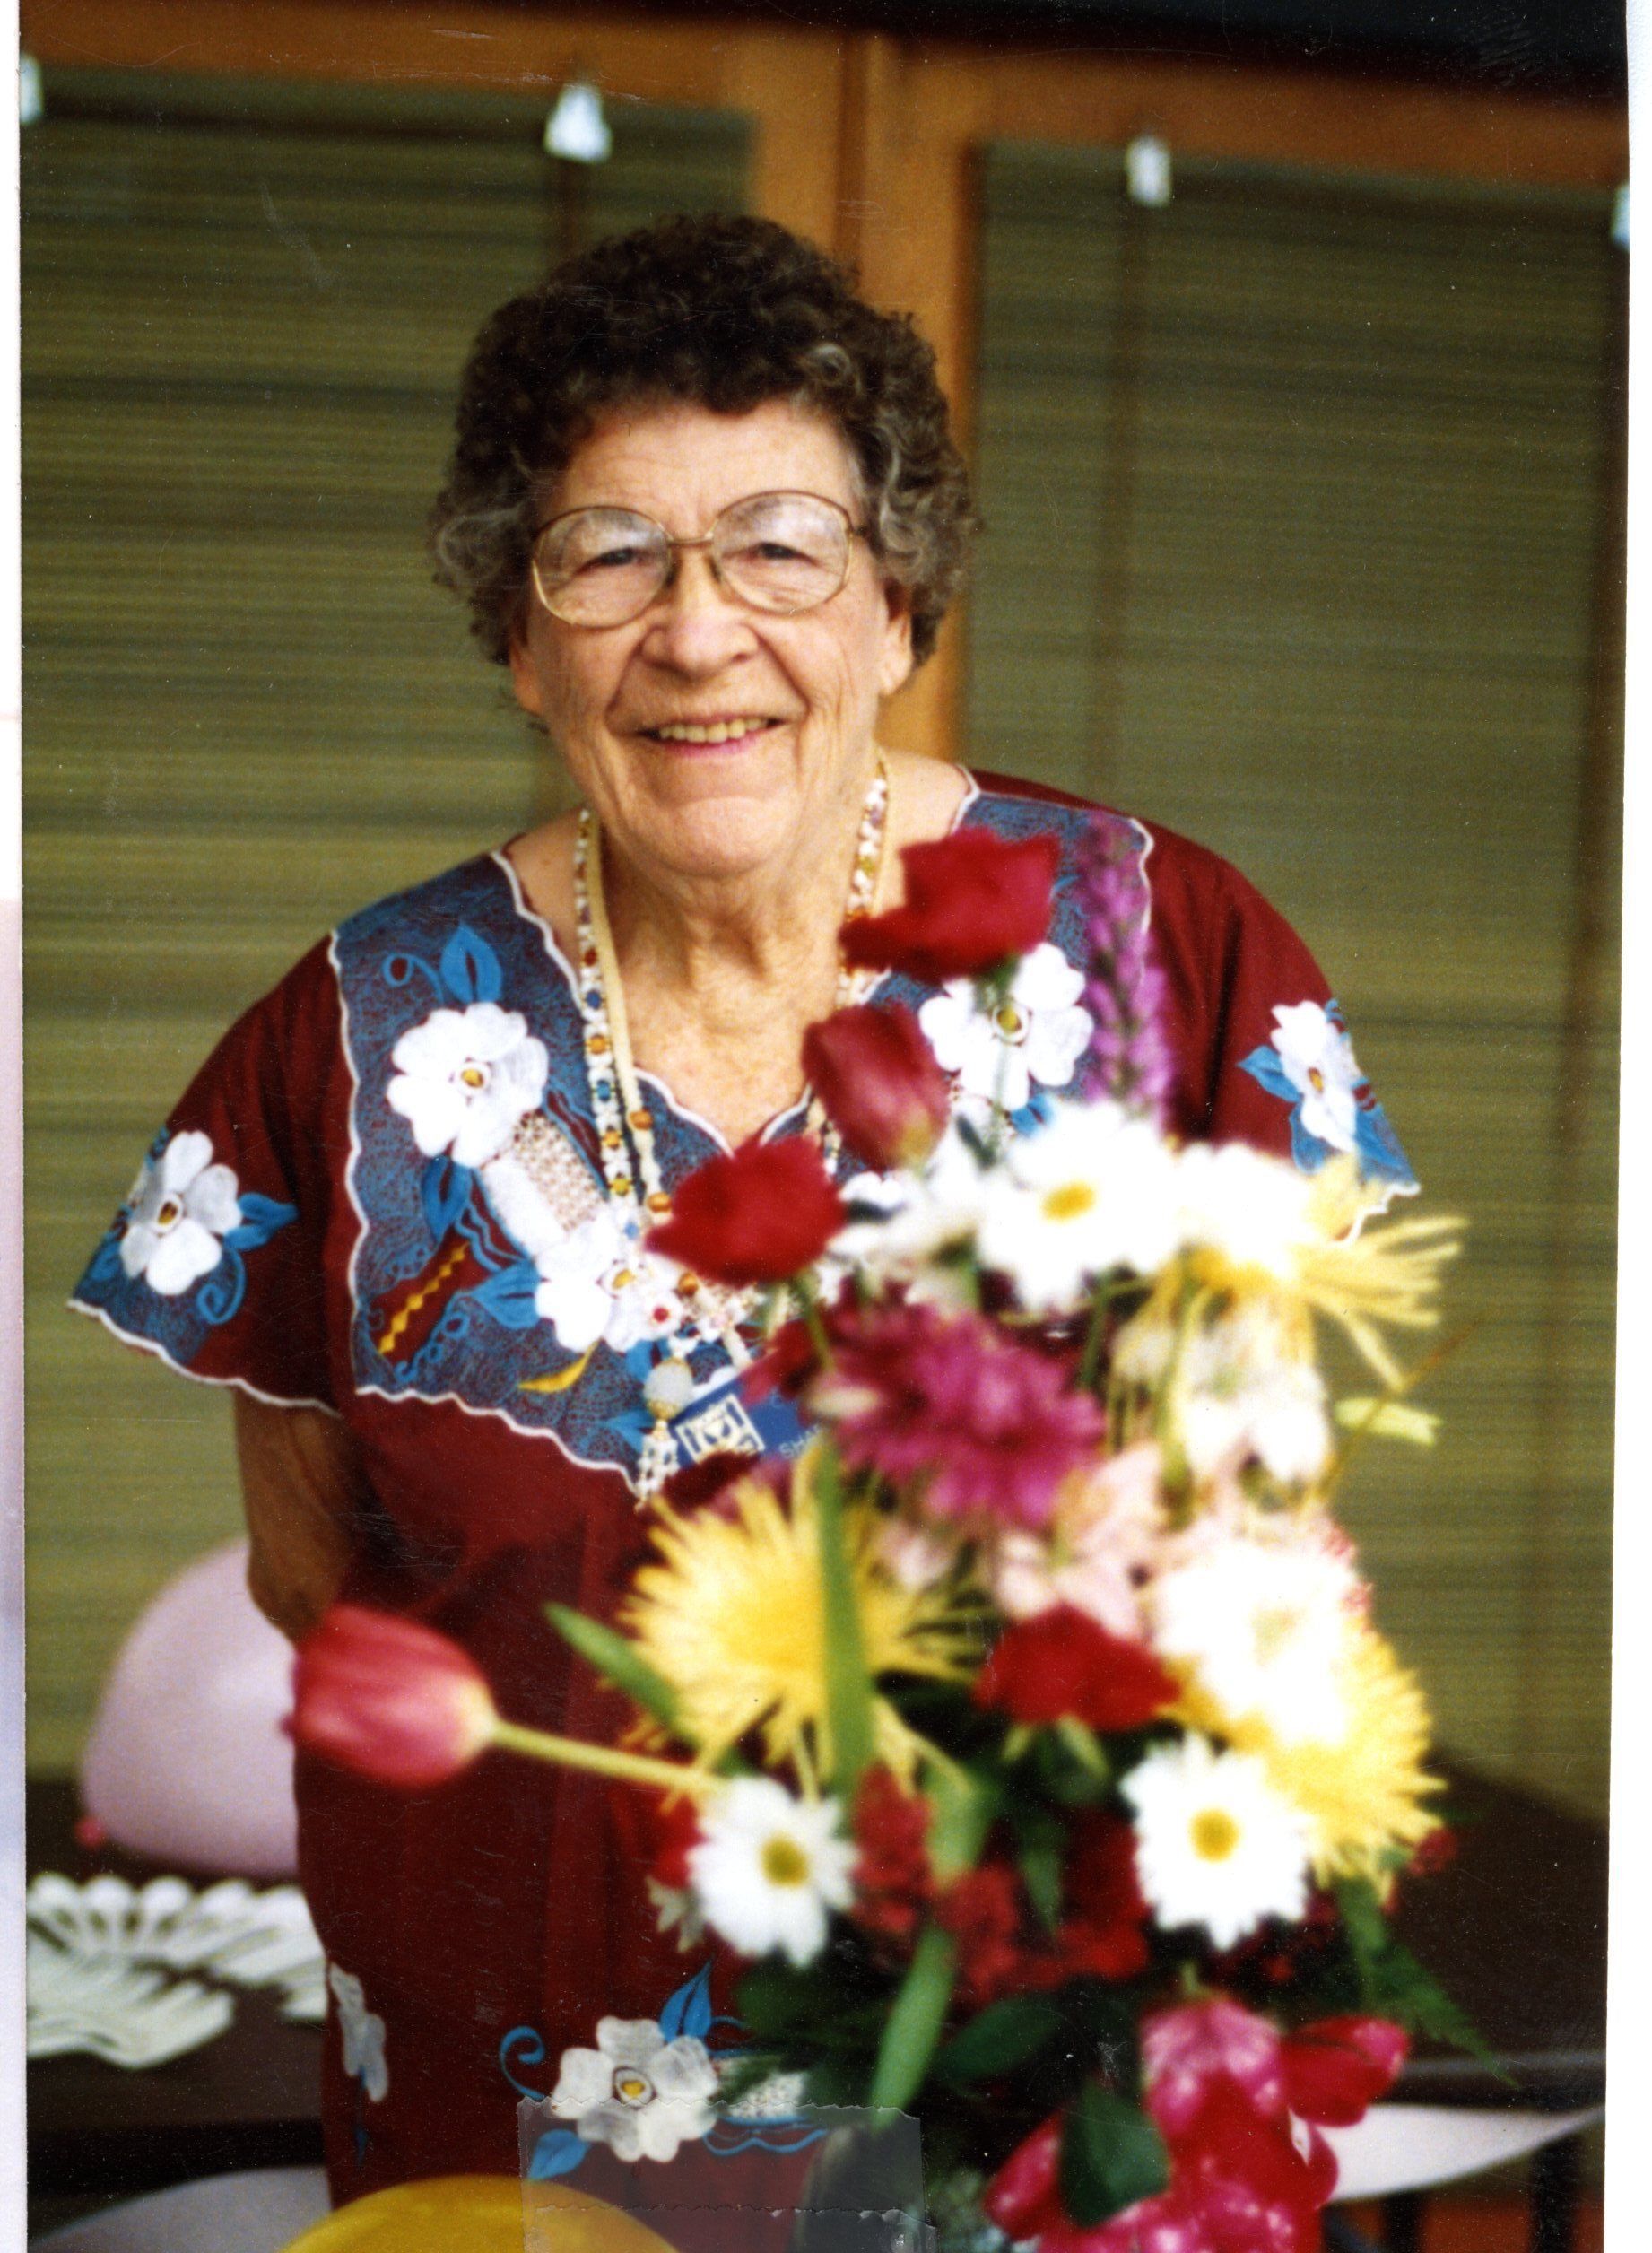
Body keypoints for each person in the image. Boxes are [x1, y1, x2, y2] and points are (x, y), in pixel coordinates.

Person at [71, 214, 1415, 2212]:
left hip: (1013, 2103)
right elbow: (315, 1580)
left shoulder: (1160, 959)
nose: (699, 633)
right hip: (514, 2104)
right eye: (609, 555)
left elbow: (1253, 1544)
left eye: (781, 546)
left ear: (896, 610)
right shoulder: (351, 1045)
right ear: (520, 640)